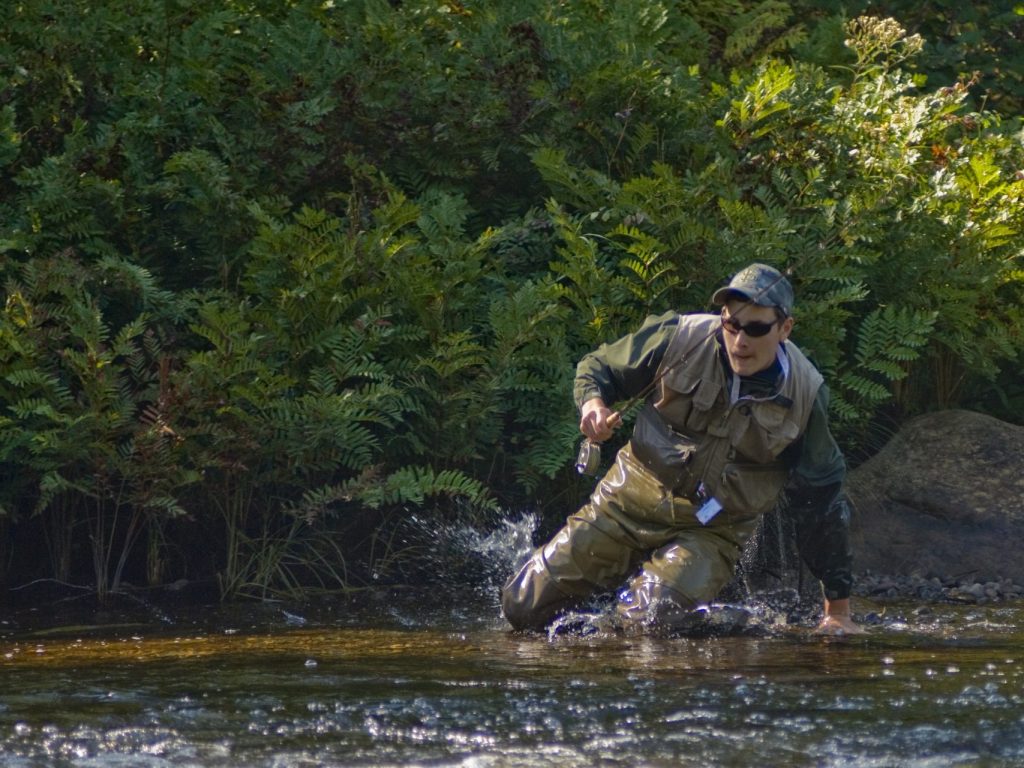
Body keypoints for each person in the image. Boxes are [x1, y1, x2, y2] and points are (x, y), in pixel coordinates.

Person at [501, 263, 863, 636]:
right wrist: (593, 405)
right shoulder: (678, 337)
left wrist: (837, 609)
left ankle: (666, 616)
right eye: (731, 325)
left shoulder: (806, 394)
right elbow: (598, 367)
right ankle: (605, 603)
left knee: (649, 620)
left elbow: (822, 501)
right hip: (624, 502)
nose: (740, 341)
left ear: (785, 328)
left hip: (711, 530)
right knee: (520, 606)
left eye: (756, 329)